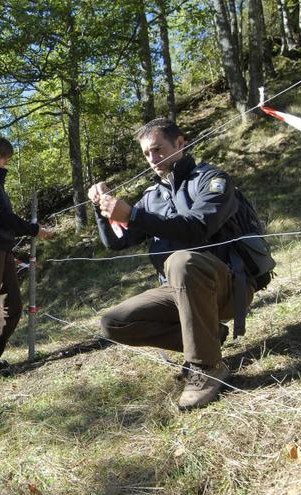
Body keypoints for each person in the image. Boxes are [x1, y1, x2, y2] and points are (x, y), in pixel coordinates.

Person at [88, 117, 256, 410]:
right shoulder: (151, 197)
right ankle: (210, 337)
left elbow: (197, 228)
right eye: (146, 154)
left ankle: (207, 366)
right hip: (176, 291)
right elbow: (117, 242)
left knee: (181, 260)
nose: (152, 159)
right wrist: (100, 207)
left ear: (180, 143)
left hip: (225, 286)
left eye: (157, 149)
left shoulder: (211, 180)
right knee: (113, 323)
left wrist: (135, 215)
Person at [0, 134, 52, 380]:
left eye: (7, 155)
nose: (6, 160)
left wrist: (8, 250)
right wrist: (34, 229)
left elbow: (1, 220)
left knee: (13, 306)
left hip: (0, 249)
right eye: (1, 155)